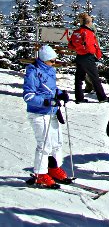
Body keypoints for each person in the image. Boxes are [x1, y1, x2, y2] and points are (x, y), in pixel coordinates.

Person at [23, 45, 70, 188]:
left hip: (52, 112)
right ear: (44, 60)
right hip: (39, 113)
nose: (54, 63)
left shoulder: (50, 70)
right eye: (51, 61)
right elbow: (28, 96)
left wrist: (60, 93)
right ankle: (40, 173)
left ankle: (53, 168)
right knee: (44, 145)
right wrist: (46, 101)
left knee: (57, 143)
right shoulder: (33, 73)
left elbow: (50, 88)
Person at [67, 12, 109, 103]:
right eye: (91, 21)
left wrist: (79, 49)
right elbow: (91, 46)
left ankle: (79, 98)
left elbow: (71, 45)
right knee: (95, 77)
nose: (92, 23)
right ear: (88, 22)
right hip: (88, 57)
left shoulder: (76, 32)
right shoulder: (88, 33)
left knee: (78, 78)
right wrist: (97, 55)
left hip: (79, 56)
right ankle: (102, 97)